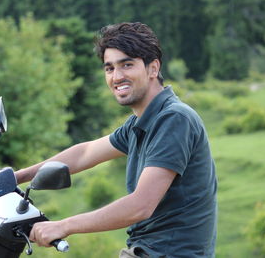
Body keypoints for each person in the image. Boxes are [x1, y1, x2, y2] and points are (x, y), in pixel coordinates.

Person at [14, 22, 217, 257]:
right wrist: (18, 176)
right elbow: (85, 153)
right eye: (109, 68)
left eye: (127, 65)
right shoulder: (140, 123)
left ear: (153, 68)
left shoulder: (174, 118)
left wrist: (63, 225)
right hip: (147, 251)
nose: (116, 76)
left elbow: (140, 205)